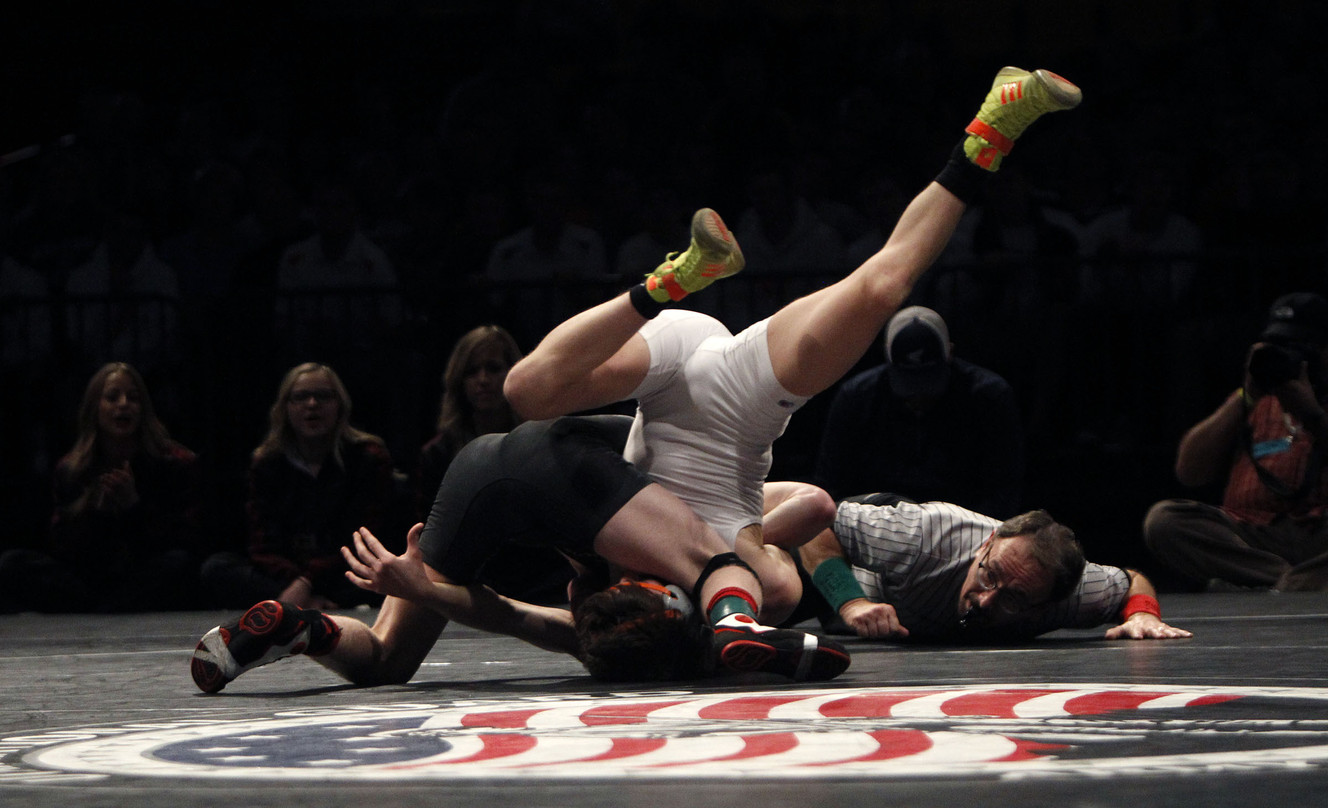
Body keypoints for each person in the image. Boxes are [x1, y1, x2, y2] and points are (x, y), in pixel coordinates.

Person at [503, 66, 1083, 625]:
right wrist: (746, 541)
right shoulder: (752, 578)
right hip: (740, 402)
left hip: (670, 370)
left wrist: (434, 585)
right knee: (884, 286)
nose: (650, 590)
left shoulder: (602, 540)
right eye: (660, 601)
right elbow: (816, 506)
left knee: (525, 391)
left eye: (634, 594)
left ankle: (671, 280)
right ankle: (994, 125)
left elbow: (537, 596)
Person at [191, 415, 848, 692]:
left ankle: (303, 629)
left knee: (387, 662)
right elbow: (815, 504)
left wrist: (414, 585)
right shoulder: (689, 547)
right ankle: (740, 616)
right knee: (759, 580)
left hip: (486, 471)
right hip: (553, 481)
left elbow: (814, 504)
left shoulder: (611, 631)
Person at [794, 492, 1191, 642]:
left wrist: (1143, 615)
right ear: (988, 544)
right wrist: (851, 604)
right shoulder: (924, 537)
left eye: (1015, 598)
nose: (984, 601)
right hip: (854, 576)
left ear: (1048, 603)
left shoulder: (1074, 594)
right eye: (989, 575)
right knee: (781, 592)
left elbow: (1132, 581)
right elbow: (816, 526)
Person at [1143, 292, 1328, 592]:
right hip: (1253, 540)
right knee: (1164, 520)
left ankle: (1267, 582)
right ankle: (1291, 581)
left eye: (1303, 347)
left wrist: (1313, 417)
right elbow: (1189, 473)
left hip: (1320, 536)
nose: (1292, 356)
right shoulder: (1251, 401)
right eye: (1279, 346)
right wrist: (1246, 396)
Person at [0, 362, 204, 612]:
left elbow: (183, 541)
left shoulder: (173, 463)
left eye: (133, 398)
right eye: (112, 397)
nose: (123, 404)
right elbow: (63, 551)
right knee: (13, 563)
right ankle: (108, 607)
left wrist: (133, 508)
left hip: (145, 574)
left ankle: (107, 607)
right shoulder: (72, 468)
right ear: (95, 407)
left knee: (181, 565)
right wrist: (94, 512)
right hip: (90, 580)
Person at [199, 362, 398, 610]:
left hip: (343, 570)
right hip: (286, 577)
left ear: (340, 405)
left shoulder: (367, 458)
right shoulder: (267, 463)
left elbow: (364, 536)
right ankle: (312, 605)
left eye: (323, 396)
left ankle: (296, 605)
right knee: (218, 568)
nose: (312, 404)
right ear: (286, 407)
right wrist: (296, 581)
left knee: (385, 572)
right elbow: (262, 544)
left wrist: (307, 581)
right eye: (301, 397)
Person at [814, 305, 1025, 516]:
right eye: (909, 385)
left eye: (929, 381)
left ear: (950, 353)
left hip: (966, 526)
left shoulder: (988, 397)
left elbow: (1003, 489)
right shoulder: (856, 398)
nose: (918, 397)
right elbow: (832, 486)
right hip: (876, 525)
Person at [416, 324, 568, 603]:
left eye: (494, 368)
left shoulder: (544, 440)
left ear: (514, 372)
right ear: (458, 381)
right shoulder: (438, 453)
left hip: (546, 584)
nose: (482, 380)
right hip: (470, 589)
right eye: (471, 371)